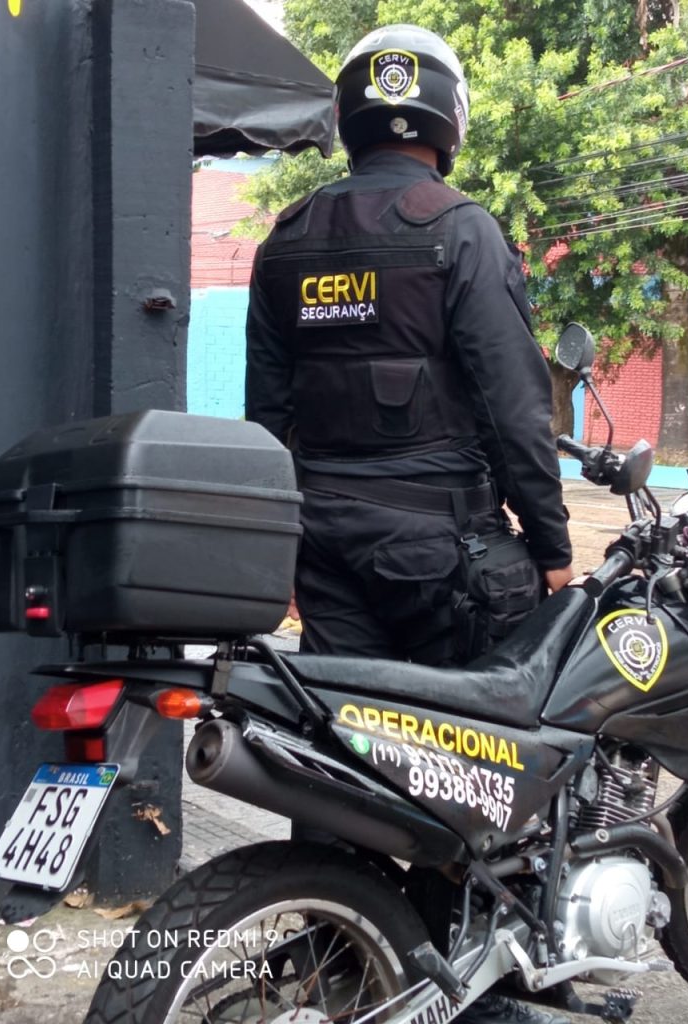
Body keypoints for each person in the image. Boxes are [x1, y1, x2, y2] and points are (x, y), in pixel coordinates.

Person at [246, 23, 573, 671]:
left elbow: (266, 419)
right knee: (469, 726)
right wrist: (552, 546)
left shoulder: (284, 242)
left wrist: (275, 548)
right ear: (450, 114)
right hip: (441, 548)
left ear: (348, 117)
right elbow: (513, 409)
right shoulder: (463, 230)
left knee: (341, 719)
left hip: (323, 544)